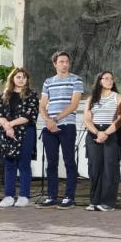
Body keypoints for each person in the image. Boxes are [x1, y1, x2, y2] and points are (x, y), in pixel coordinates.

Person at [38, 51, 84, 208]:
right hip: (49, 127)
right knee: (51, 162)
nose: (65, 64)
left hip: (67, 126)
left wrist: (55, 119)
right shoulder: (48, 82)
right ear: (55, 64)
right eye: (61, 61)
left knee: (69, 160)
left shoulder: (76, 80)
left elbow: (74, 105)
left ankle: (69, 197)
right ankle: (52, 196)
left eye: (66, 61)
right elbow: (42, 105)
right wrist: (48, 121)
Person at [0, 67, 39, 208]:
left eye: (24, 77)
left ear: (27, 80)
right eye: (18, 77)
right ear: (12, 79)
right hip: (7, 134)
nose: (21, 79)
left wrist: (10, 125)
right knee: (9, 165)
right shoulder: (4, 95)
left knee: (24, 164)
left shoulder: (31, 95)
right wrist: (7, 127)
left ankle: (24, 196)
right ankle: (8, 196)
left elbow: (29, 115)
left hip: (25, 132)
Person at [83, 71, 121, 211]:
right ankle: (94, 201)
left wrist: (106, 133)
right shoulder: (91, 99)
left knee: (110, 168)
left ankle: (108, 202)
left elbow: (120, 118)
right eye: (106, 78)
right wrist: (97, 133)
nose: (110, 81)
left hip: (110, 133)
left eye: (111, 79)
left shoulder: (118, 97)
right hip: (94, 133)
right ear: (99, 80)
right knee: (95, 167)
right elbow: (87, 120)